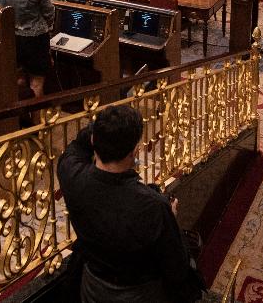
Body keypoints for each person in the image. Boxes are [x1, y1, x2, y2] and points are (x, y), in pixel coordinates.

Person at [58, 105, 205, 303]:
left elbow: (76, 147)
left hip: (91, 288)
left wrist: (102, 126)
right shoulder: (153, 206)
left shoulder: (71, 175)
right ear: (135, 151)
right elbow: (176, 268)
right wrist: (170, 217)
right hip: (138, 295)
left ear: (94, 140)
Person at [0, 0, 55, 98]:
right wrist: (47, 26)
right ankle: (38, 118)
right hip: (35, 40)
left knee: (20, 78)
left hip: (13, 38)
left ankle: (22, 115)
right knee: (37, 82)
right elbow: (49, 12)